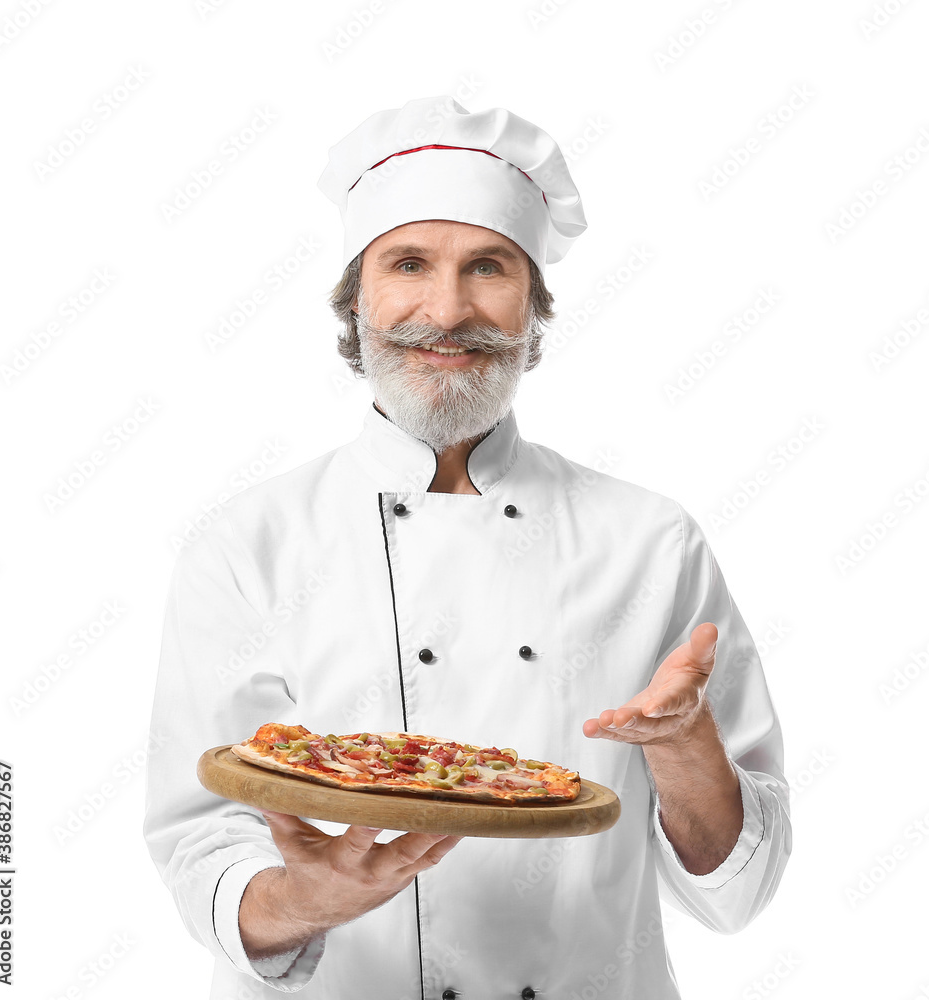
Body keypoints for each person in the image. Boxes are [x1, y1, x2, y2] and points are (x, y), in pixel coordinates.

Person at [144, 95, 791, 999]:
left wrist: (682, 746)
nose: (447, 312)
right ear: (356, 300)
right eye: (408, 264)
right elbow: (202, 842)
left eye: (487, 267)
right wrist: (307, 896)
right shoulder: (248, 545)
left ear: (533, 307)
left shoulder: (651, 541)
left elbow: (742, 892)